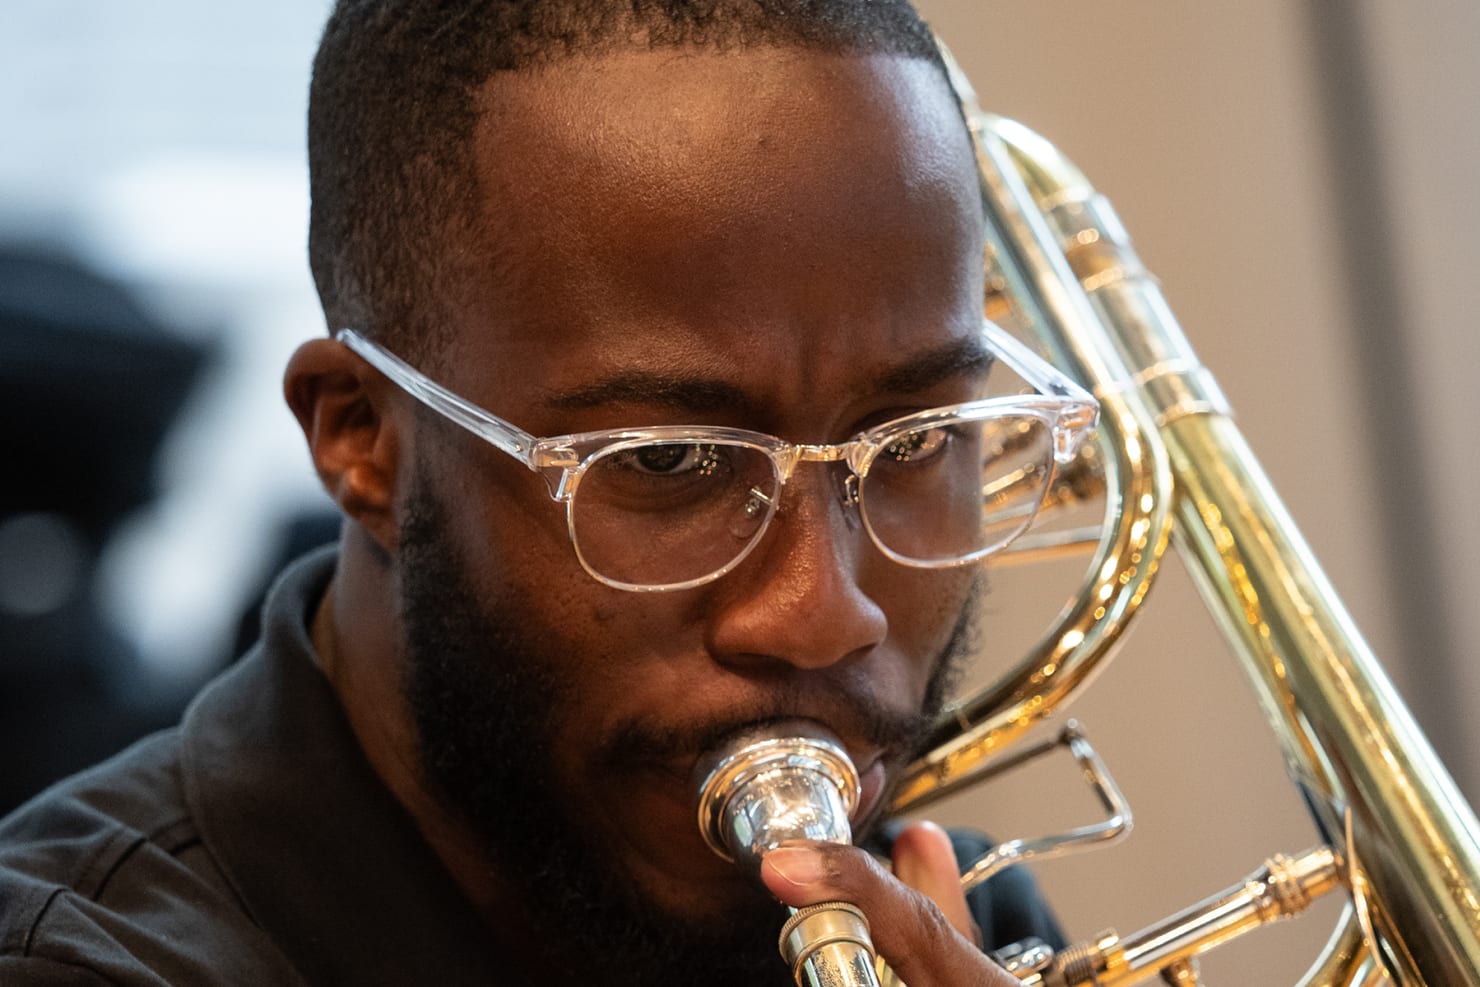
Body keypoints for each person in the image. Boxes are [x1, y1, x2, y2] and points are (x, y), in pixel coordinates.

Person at [0, 2, 1089, 983]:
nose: (823, 614)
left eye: (914, 440)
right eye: (666, 460)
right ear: (363, 437)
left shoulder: (948, 912)